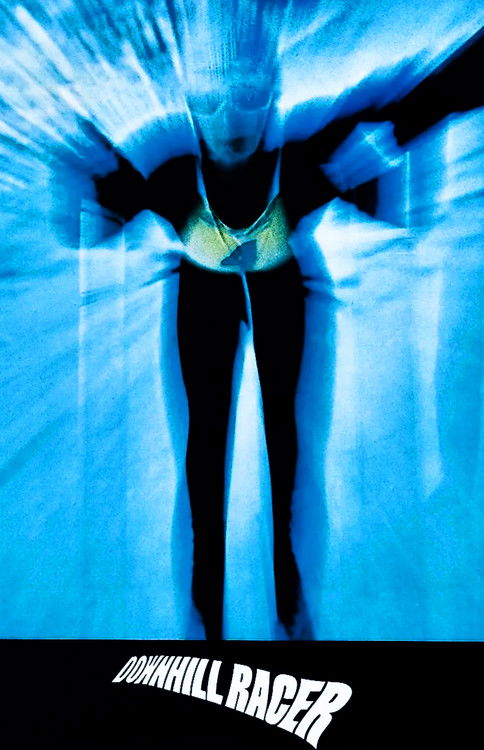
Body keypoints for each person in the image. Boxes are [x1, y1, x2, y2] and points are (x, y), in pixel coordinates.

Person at [92, 30, 483, 639]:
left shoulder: (194, 169)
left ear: (272, 94)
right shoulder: (268, 164)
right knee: (213, 459)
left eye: (248, 95)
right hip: (254, 293)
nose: (232, 120)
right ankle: (232, 617)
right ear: (192, 104)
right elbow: (397, 157)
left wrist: (91, 181)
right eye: (213, 100)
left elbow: (404, 128)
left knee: (280, 455)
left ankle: (266, 611)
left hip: (246, 294)